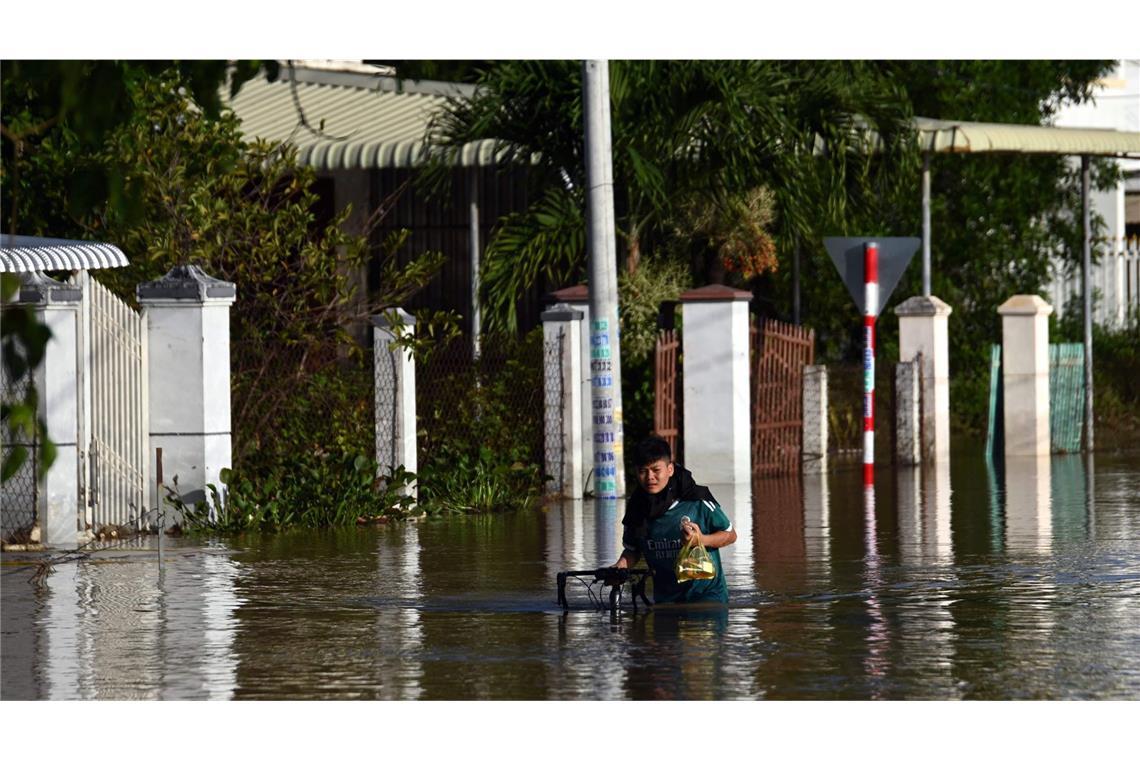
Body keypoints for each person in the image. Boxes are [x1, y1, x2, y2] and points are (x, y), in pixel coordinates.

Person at [611, 435, 737, 604]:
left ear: (670, 469)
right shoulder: (636, 509)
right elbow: (632, 551)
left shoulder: (697, 501)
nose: (649, 477)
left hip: (708, 598)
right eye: (643, 471)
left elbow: (730, 535)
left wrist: (701, 539)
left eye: (656, 470)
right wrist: (619, 568)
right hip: (665, 601)